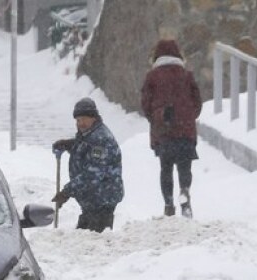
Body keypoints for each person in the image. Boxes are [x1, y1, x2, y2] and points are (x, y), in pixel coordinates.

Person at [141, 39, 202, 218]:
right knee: (184, 167)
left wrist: (156, 118)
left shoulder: (152, 77)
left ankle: (168, 204)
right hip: (185, 130)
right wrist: (188, 116)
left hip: (164, 131)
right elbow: (197, 103)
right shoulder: (186, 75)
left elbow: (146, 105)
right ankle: (185, 192)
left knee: (165, 168)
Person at [51, 98, 125, 232]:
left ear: (93, 117)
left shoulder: (101, 139)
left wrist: (67, 192)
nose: (81, 123)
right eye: (78, 120)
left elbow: (93, 174)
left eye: (84, 119)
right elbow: (86, 147)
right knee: (84, 238)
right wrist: (70, 145)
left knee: (95, 241)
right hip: (92, 200)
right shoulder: (89, 134)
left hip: (102, 199)